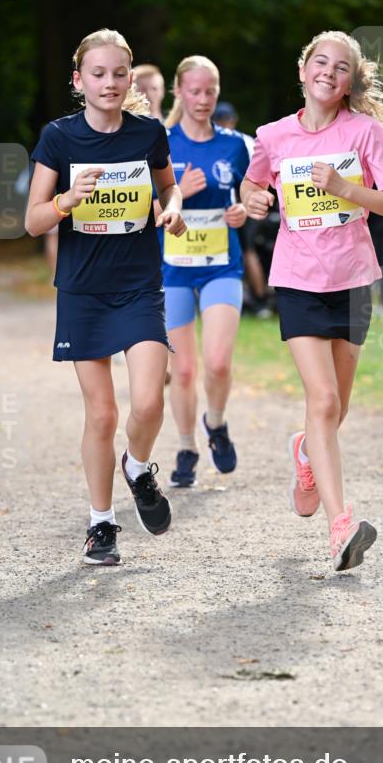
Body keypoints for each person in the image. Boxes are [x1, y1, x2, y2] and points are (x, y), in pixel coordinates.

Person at [241, 30, 383, 571]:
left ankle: (305, 453)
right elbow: (250, 189)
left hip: (353, 278)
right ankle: (342, 526)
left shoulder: (366, 133)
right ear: (302, 69)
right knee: (323, 401)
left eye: (341, 68)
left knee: (338, 405)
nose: (329, 73)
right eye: (321, 62)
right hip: (297, 278)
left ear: (348, 84)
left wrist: (345, 190)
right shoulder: (272, 136)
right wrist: (254, 199)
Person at [25, 28, 186, 568]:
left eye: (119, 73)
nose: (110, 82)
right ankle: (101, 524)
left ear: (129, 77)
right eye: (98, 73)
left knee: (148, 402)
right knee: (101, 414)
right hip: (83, 291)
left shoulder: (147, 133)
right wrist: (68, 199)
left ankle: (137, 467)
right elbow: (32, 221)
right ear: (79, 80)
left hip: (139, 286)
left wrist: (174, 205)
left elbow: (168, 185)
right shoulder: (59, 138)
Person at [157, 56, 250, 488]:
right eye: (194, 91)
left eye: (210, 90)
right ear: (179, 92)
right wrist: (177, 194)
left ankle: (215, 423)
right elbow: (141, 212)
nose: (203, 99)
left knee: (216, 362)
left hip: (221, 266)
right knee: (185, 370)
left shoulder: (234, 144)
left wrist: (242, 210)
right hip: (173, 269)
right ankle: (186, 447)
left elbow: (255, 194)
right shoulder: (160, 143)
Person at [213, 102, 272, 319]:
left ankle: (259, 297)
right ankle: (250, 297)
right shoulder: (245, 140)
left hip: (245, 206)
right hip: (245, 205)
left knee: (247, 252)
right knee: (245, 252)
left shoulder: (238, 142)